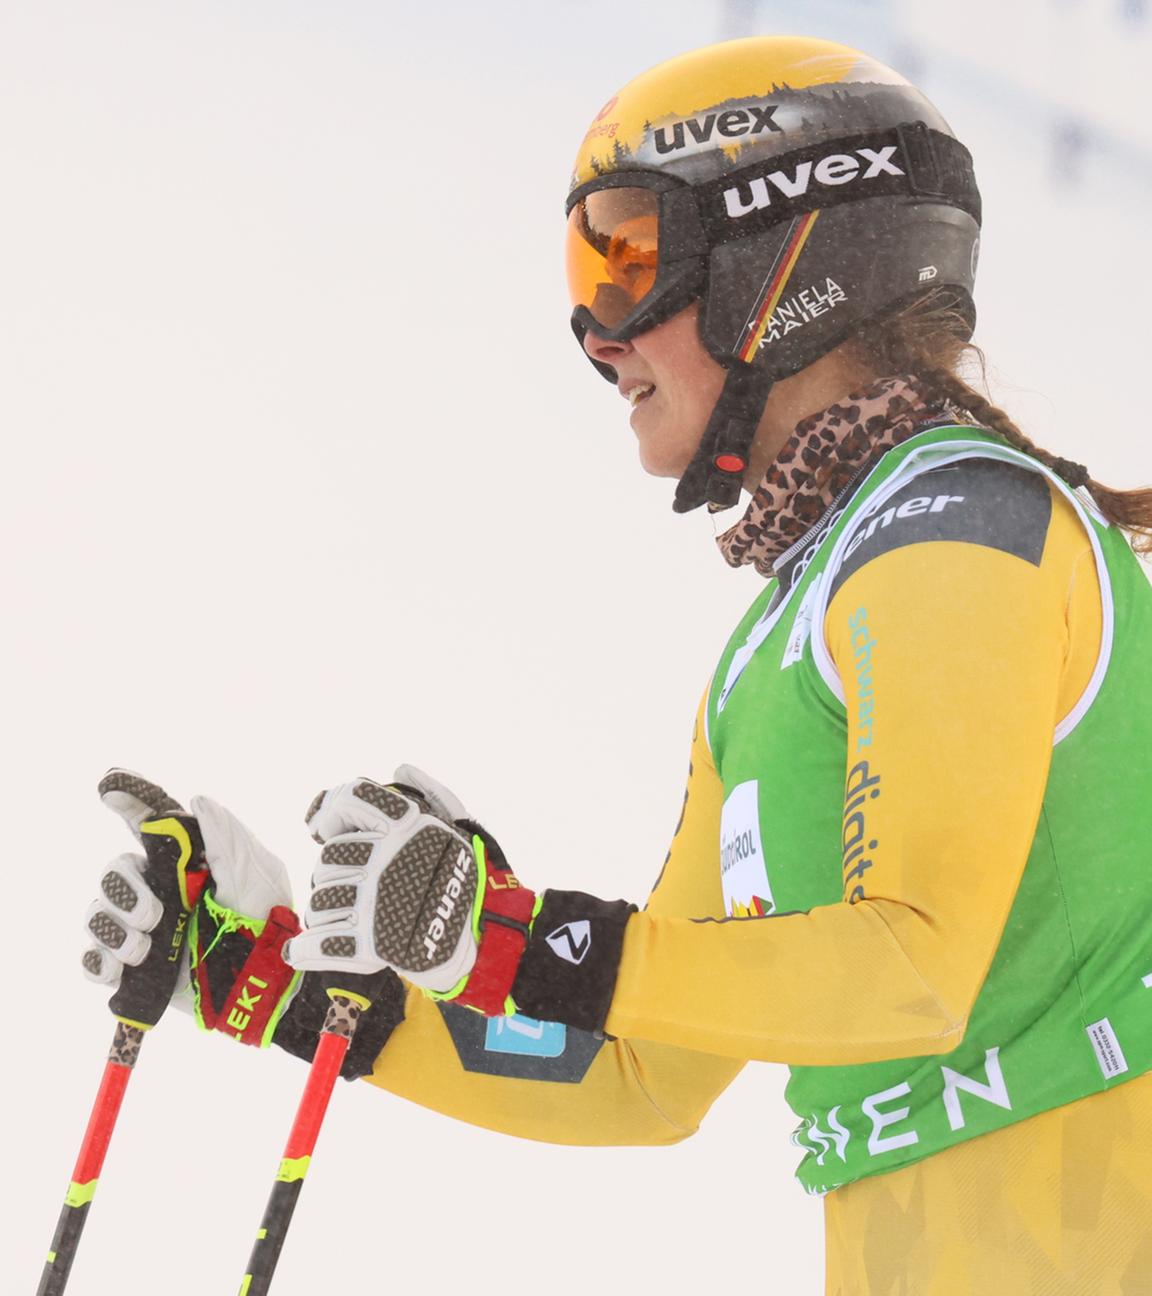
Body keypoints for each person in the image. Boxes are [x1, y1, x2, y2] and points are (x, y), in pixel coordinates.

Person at [83, 36, 1152, 1294]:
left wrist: (513, 934)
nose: (597, 332)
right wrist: (279, 977)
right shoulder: (785, 638)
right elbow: (639, 1073)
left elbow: (914, 970)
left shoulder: (961, 533)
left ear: (781, 259)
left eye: (629, 251)